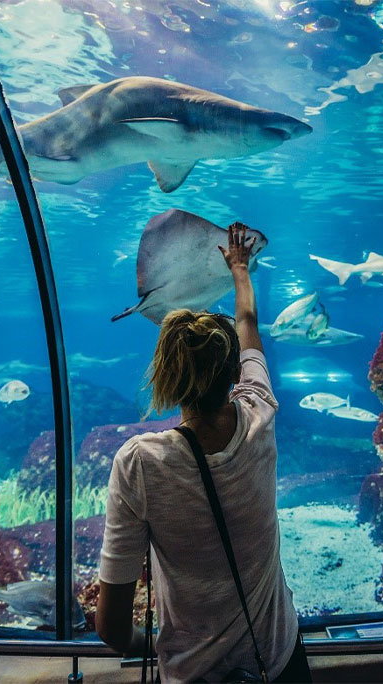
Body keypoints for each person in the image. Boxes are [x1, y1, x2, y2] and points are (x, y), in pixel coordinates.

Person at [96, 223, 312, 683]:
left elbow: (111, 626)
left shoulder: (139, 463)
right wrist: (239, 269)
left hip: (194, 673)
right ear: (236, 371)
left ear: (166, 375)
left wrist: (152, 647)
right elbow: (248, 324)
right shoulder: (259, 414)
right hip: (278, 659)